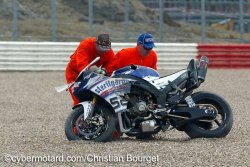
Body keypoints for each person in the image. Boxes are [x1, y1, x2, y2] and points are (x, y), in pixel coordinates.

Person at [65, 33, 115, 106]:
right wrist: (92, 69)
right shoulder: (86, 44)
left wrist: (104, 71)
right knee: (79, 97)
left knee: (95, 96)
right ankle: (79, 115)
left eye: (105, 50)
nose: (102, 52)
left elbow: (111, 67)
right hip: (74, 73)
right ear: (95, 43)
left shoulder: (109, 52)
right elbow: (81, 65)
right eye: (100, 50)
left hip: (92, 75)